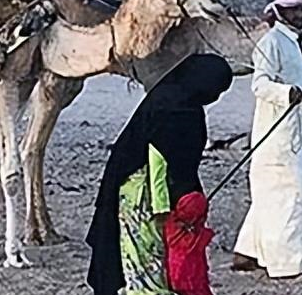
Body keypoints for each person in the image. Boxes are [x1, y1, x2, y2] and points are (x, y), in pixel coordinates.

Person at [87, 54, 235, 295]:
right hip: (143, 195)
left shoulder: (169, 98)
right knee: (147, 260)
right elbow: (167, 164)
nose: (214, 98)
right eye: (215, 90)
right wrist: (178, 204)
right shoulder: (178, 111)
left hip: (136, 189)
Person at [231, 0, 302, 279]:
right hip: (277, 134)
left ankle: (247, 252)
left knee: (271, 194)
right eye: (295, 10)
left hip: (297, 129)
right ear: (281, 12)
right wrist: (285, 93)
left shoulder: (301, 44)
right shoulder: (271, 43)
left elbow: (301, 79)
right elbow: (260, 84)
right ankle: (291, 261)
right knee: (292, 195)